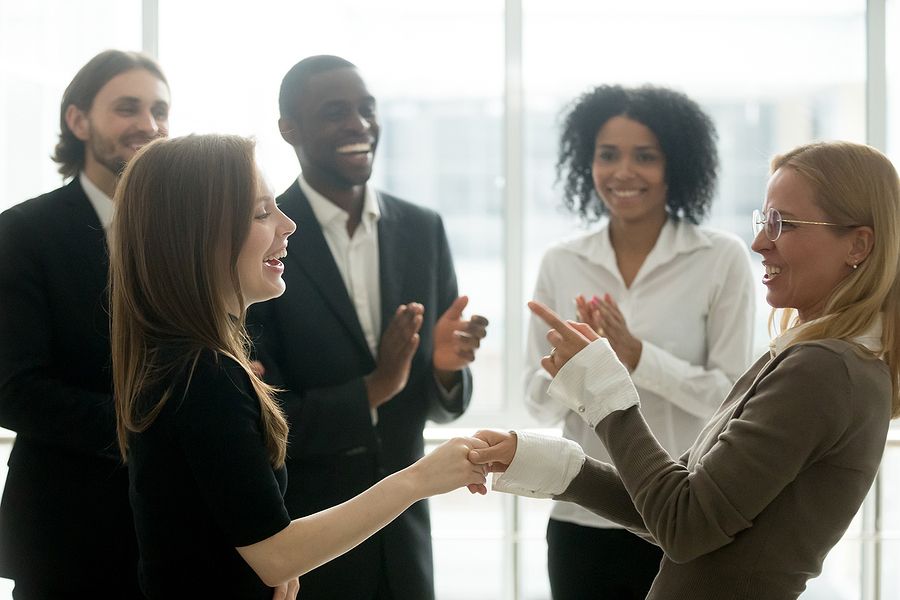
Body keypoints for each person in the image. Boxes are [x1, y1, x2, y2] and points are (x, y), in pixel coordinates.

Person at [471, 140, 900, 600]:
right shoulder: (813, 359)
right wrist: (538, 460)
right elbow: (667, 506)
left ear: (858, 244)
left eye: (784, 224)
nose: (759, 243)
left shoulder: (823, 369)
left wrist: (603, 388)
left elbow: (684, 526)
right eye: (764, 221)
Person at [110, 133, 488, 599]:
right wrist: (420, 479)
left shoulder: (187, 361)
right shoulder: (204, 373)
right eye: (261, 213)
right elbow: (275, 555)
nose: (288, 225)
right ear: (199, 234)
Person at [246, 55, 489, 600]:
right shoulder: (261, 235)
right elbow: (265, 414)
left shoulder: (423, 229)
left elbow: (440, 407)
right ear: (289, 129)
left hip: (407, 541)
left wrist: (445, 369)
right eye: (335, 112)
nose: (359, 124)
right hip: (309, 540)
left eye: (367, 109)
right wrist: (375, 387)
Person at [526, 84, 755, 599]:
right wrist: (572, 368)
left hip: (684, 516)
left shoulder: (720, 258)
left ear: (677, 165)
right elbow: (535, 403)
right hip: (581, 518)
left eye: (645, 157)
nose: (623, 172)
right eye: (608, 155)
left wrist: (635, 358)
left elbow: (730, 398)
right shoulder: (561, 262)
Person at [0, 49, 170, 599]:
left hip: (180, 533)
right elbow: (12, 389)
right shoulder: (22, 234)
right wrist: (154, 425)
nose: (149, 125)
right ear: (77, 120)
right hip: (67, 533)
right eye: (127, 108)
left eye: (160, 110)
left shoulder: (187, 231)